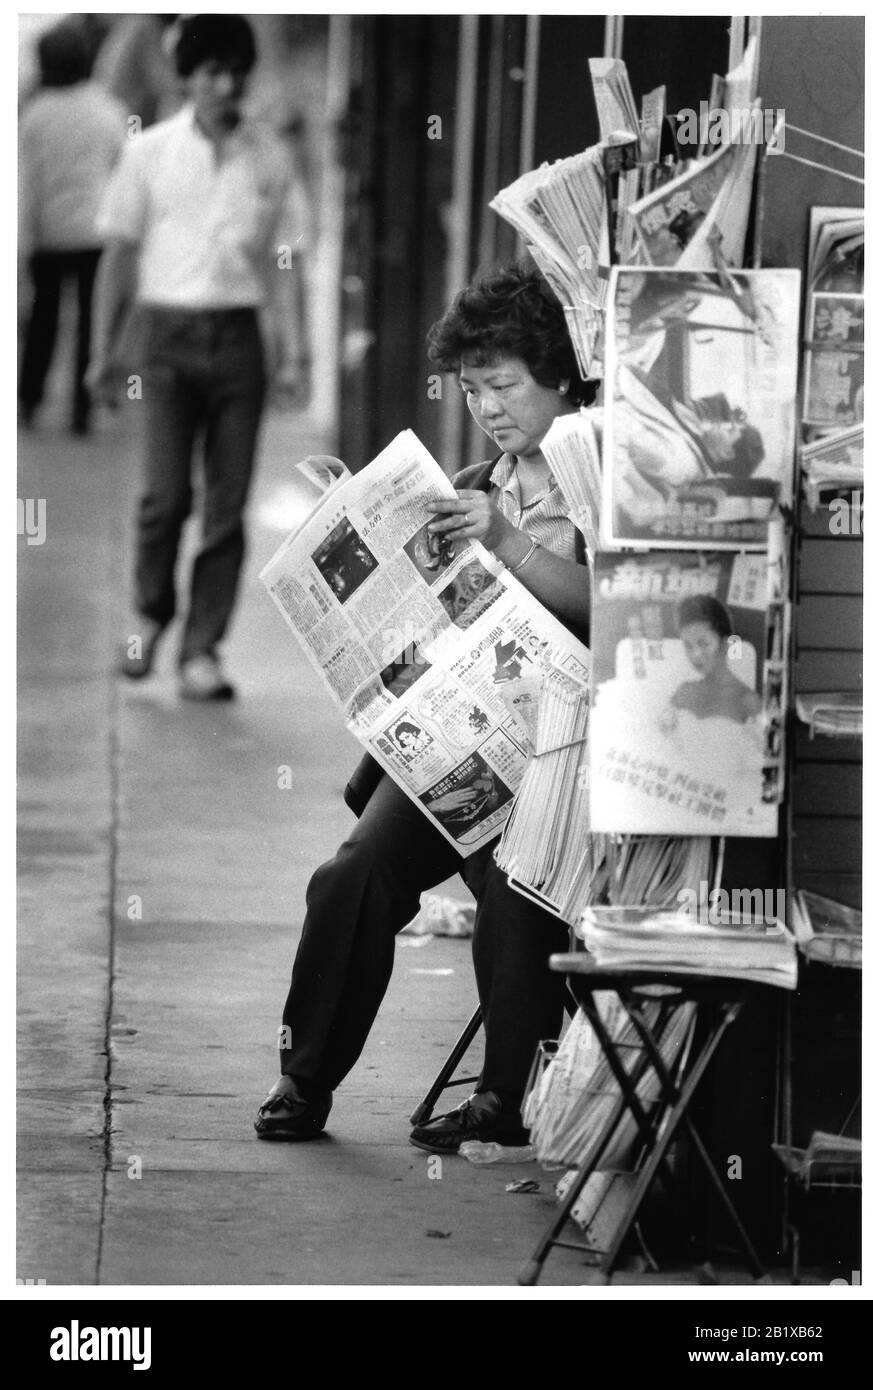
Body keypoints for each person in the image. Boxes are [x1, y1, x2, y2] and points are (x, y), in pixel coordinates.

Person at [255, 263, 597, 1151]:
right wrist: (352, 515)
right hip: (453, 748)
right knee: (353, 873)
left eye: (505, 385)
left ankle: (502, 1101)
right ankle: (303, 1080)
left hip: (558, 757)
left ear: (560, 373)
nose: (487, 406)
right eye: (474, 388)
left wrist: (510, 542)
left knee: (516, 889)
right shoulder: (473, 480)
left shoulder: (597, 482)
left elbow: (619, 605)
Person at [89, 15, 295, 700]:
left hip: (239, 341)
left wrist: (291, 351)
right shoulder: (147, 152)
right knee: (163, 497)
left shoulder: (268, 156)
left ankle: (202, 651)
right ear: (186, 76)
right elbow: (118, 254)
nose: (224, 84)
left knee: (227, 508)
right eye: (210, 71)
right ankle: (149, 615)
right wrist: (103, 351)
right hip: (164, 341)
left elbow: (285, 259)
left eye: (234, 71)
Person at [18, 21, 127, 434]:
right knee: (89, 322)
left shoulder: (34, 114)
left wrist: (24, 237)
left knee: (43, 319)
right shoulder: (108, 110)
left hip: (48, 232)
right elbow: (122, 167)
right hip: (96, 232)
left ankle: (29, 398)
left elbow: (27, 181)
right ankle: (83, 409)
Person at [662, 595, 761, 727]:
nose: (695, 654)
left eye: (704, 643)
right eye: (688, 645)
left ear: (726, 643)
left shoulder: (748, 701)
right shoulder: (684, 694)